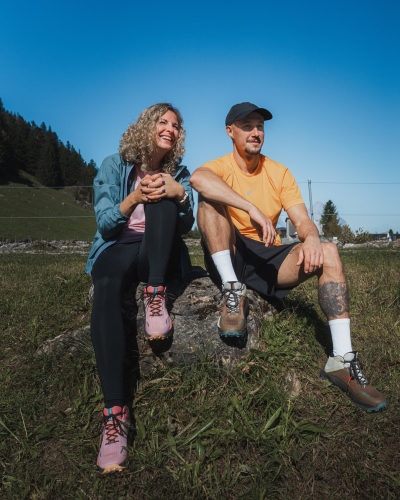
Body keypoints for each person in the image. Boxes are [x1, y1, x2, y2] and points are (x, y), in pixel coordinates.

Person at [190, 101, 386, 413]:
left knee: (329, 251)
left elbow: (303, 220)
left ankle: (342, 360)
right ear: (230, 131)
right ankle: (232, 290)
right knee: (208, 200)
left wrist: (311, 238)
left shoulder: (278, 172)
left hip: (268, 258)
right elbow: (198, 179)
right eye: (247, 126)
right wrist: (250, 208)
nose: (255, 132)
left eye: (260, 126)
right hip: (231, 251)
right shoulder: (221, 166)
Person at [86, 103, 194, 473]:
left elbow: (186, 226)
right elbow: (105, 224)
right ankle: (115, 413)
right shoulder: (113, 165)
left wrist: (179, 193)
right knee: (106, 286)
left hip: (156, 251)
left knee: (164, 193)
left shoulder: (179, 172)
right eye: (163, 122)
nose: (170, 129)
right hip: (118, 246)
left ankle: (155, 294)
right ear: (147, 126)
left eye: (175, 125)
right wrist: (135, 198)